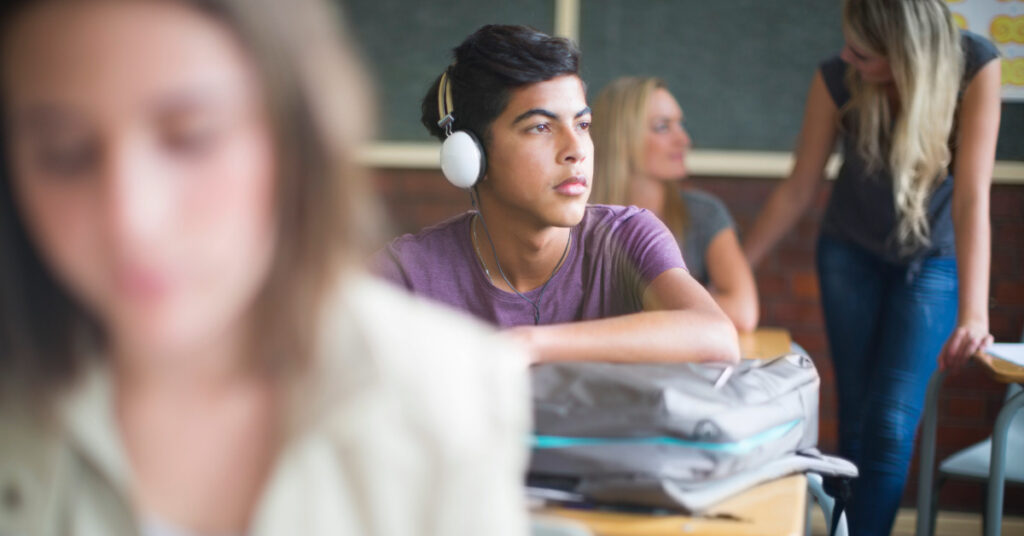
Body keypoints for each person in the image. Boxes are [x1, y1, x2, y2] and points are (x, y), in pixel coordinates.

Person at [0, 1, 530, 534]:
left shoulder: (451, 397)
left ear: (299, 138)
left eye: (191, 137)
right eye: (63, 153)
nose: (130, 219)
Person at [741, 0, 1001, 533]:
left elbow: (973, 196)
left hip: (932, 258)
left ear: (904, 53)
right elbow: (799, 188)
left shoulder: (974, 66)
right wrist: (735, 274)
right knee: (856, 420)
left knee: (890, 424)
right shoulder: (837, 78)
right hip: (849, 255)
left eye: (862, 51)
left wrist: (974, 313)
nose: (846, 56)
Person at [371, 25, 740, 366]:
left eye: (582, 124)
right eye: (541, 127)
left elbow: (716, 337)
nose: (576, 149)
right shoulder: (408, 273)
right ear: (471, 156)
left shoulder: (627, 236)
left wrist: (527, 344)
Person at [590, 77, 759, 333]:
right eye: (662, 127)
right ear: (620, 138)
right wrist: (688, 306)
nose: (684, 139)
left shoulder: (703, 213)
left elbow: (743, 312)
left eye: (680, 124)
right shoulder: (578, 219)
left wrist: (626, 308)